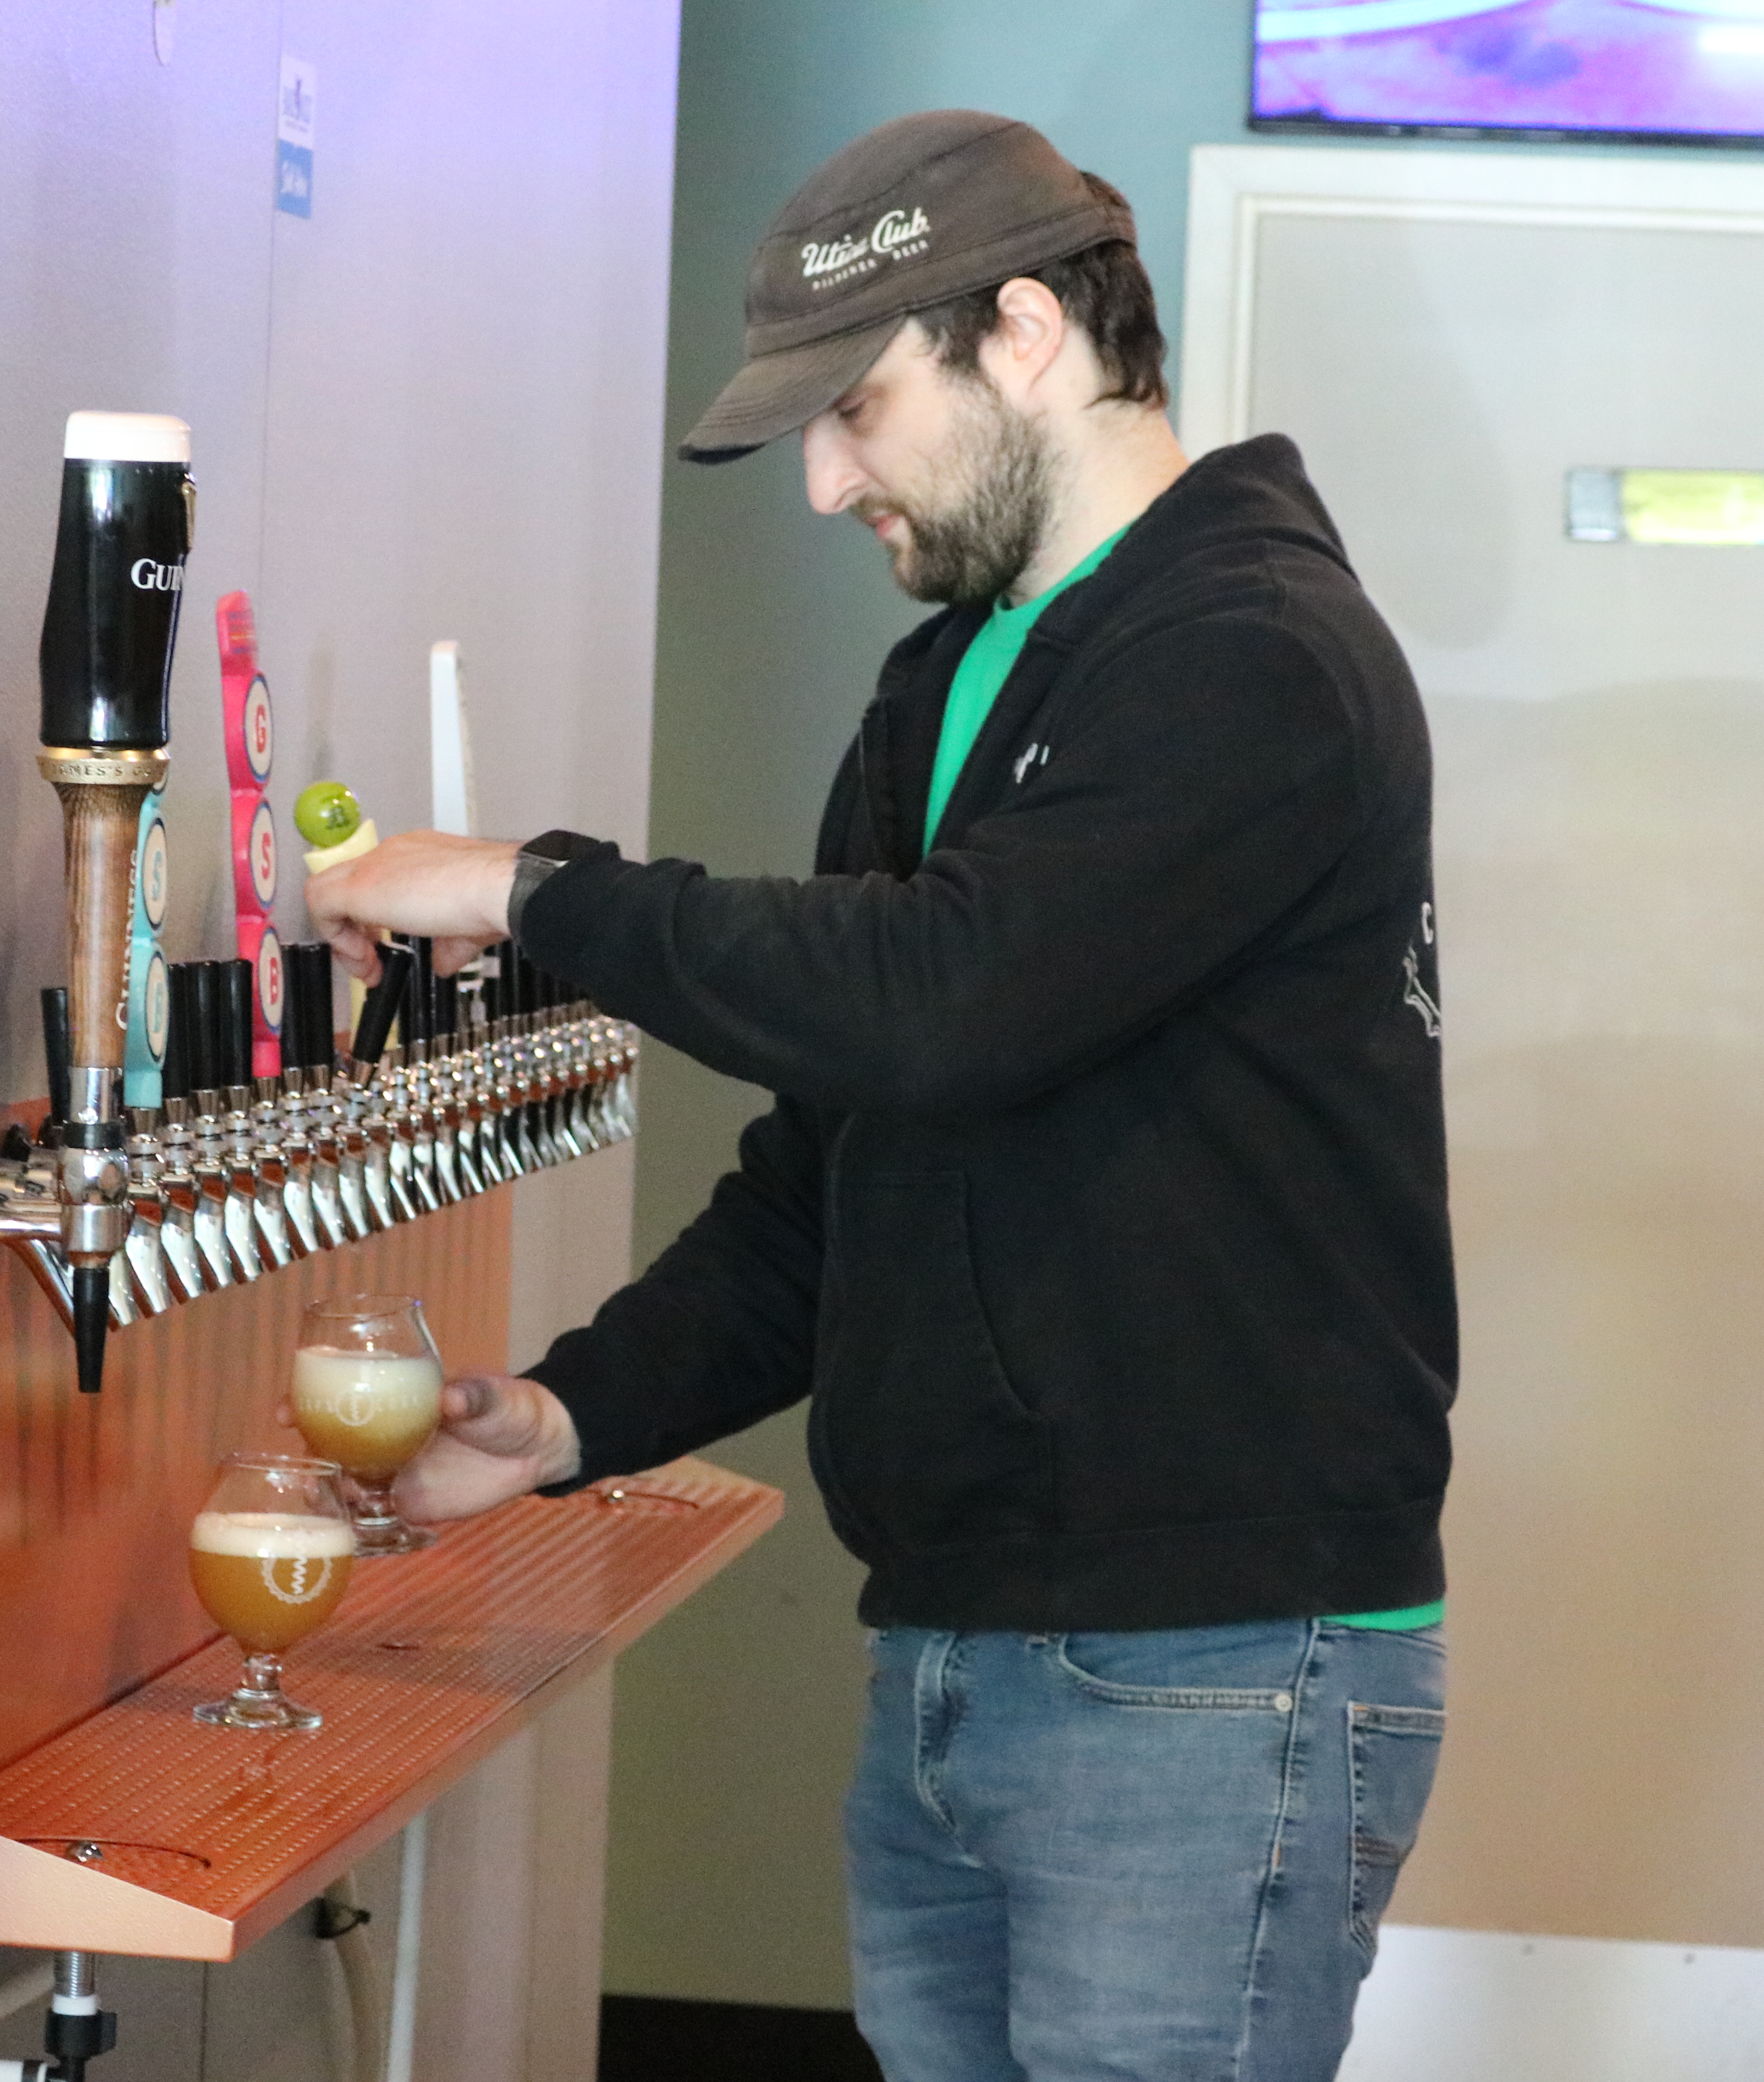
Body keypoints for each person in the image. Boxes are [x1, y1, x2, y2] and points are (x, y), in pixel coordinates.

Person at [307, 110, 1455, 2081]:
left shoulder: (1251, 651)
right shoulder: (946, 689)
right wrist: (575, 1413)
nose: (830, 480)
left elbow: (946, 1005)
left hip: (1207, 1667)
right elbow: (844, 1159)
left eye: (858, 406)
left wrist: (536, 892)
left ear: (1024, 331)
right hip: (953, 1651)